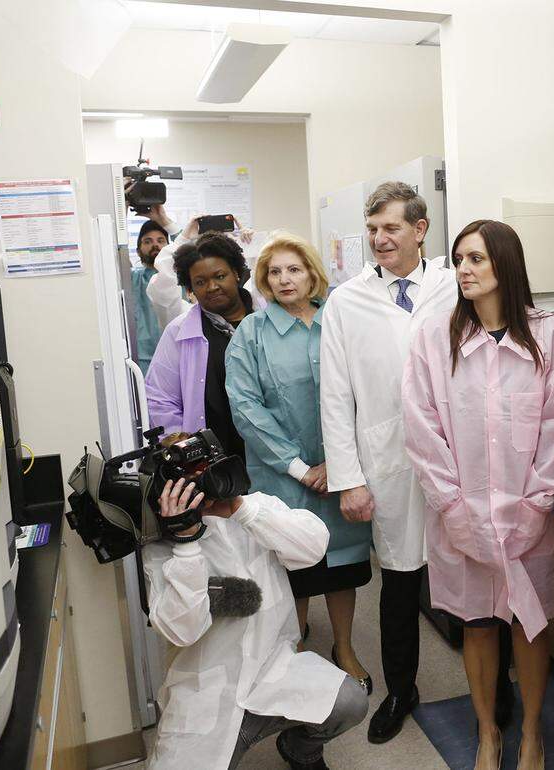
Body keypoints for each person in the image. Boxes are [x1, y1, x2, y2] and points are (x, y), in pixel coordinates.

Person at [403, 220, 554, 770]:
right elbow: (421, 427)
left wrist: (537, 502)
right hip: (462, 513)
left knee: (530, 622)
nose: (464, 271)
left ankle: (532, 735)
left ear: (506, 265)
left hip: (530, 514)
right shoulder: (433, 336)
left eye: (475, 259)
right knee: (476, 623)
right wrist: (452, 505)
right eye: (458, 260)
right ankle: (489, 734)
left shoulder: (549, 335)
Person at [320, 181, 458, 743]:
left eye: (391, 229)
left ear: (420, 230)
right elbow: (335, 396)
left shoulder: (454, 284)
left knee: (470, 576)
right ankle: (402, 688)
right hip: (388, 458)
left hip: (455, 456)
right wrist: (349, 479)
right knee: (400, 581)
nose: (378, 239)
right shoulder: (347, 299)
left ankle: (490, 685)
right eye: (372, 229)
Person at [225, 232, 375, 694]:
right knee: (294, 566)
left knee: (344, 564)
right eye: (275, 271)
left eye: (294, 269)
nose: (285, 279)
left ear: (313, 273)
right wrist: (299, 468)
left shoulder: (339, 321)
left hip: (342, 470)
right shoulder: (251, 333)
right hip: (284, 477)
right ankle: (295, 648)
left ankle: (344, 647)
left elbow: (365, 392)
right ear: (264, 280)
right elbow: (246, 407)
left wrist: (340, 462)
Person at [143, 476, 368, 770]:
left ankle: (300, 750)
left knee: (350, 702)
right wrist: (186, 543)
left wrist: (241, 509)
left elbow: (314, 546)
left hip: (272, 670)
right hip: (207, 693)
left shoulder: (254, 508)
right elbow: (183, 630)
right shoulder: (159, 549)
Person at [145, 233, 254, 456]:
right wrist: (181, 444)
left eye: (220, 276)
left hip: (274, 454)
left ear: (236, 273)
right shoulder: (179, 332)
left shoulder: (266, 318)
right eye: (200, 282)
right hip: (213, 460)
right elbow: (159, 398)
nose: (212, 287)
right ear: (190, 289)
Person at [132, 217, 169, 374]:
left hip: (175, 354)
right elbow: (111, 258)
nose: (155, 245)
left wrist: (162, 218)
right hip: (143, 358)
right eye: (148, 241)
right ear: (138, 250)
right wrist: (122, 206)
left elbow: (189, 248)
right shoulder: (133, 278)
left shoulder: (178, 276)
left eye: (161, 240)